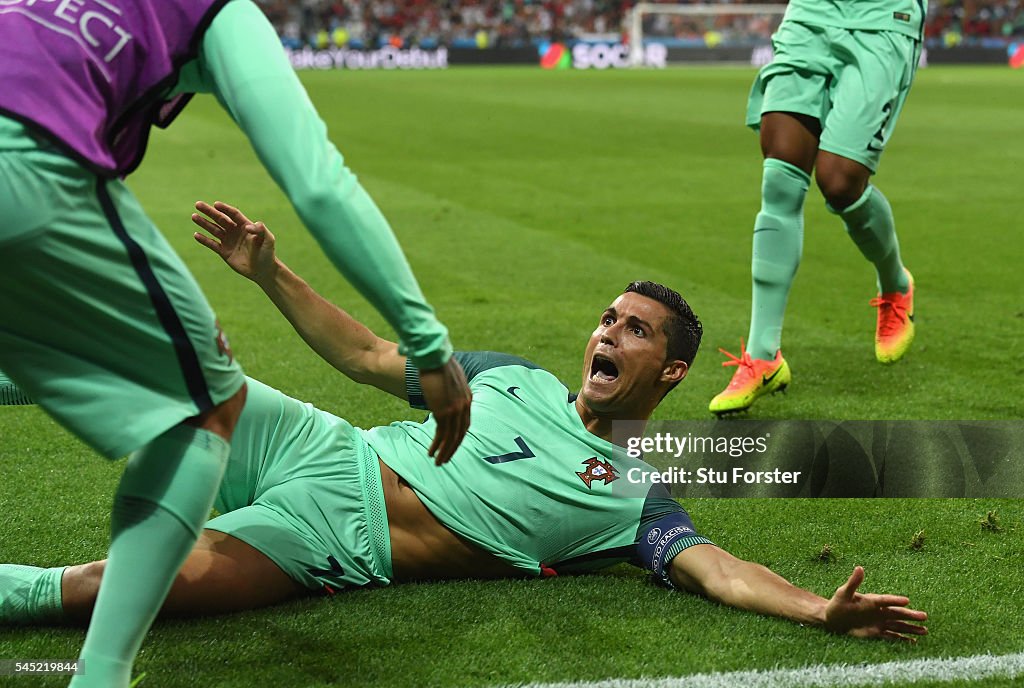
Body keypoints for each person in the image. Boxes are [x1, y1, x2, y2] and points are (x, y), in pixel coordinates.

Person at [1, 204, 928, 651]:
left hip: (340, 536)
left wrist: (819, 607)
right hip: (322, 447)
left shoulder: (634, 498)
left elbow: (719, 571)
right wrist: (269, 273)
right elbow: (369, 357)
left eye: (634, 331)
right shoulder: (509, 378)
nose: (608, 333)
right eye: (608, 319)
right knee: (187, 366)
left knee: (109, 590)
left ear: (671, 372)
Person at [0, 3, 470, 686]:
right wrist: (429, 345)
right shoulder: (214, 11)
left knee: (91, 347)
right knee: (205, 405)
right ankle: (99, 678)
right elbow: (318, 181)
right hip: (30, 162)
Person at [709, 0, 925, 416]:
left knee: (840, 181)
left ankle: (895, 283)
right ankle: (763, 356)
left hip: (883, 18)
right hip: (812, 13)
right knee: (779, 175)